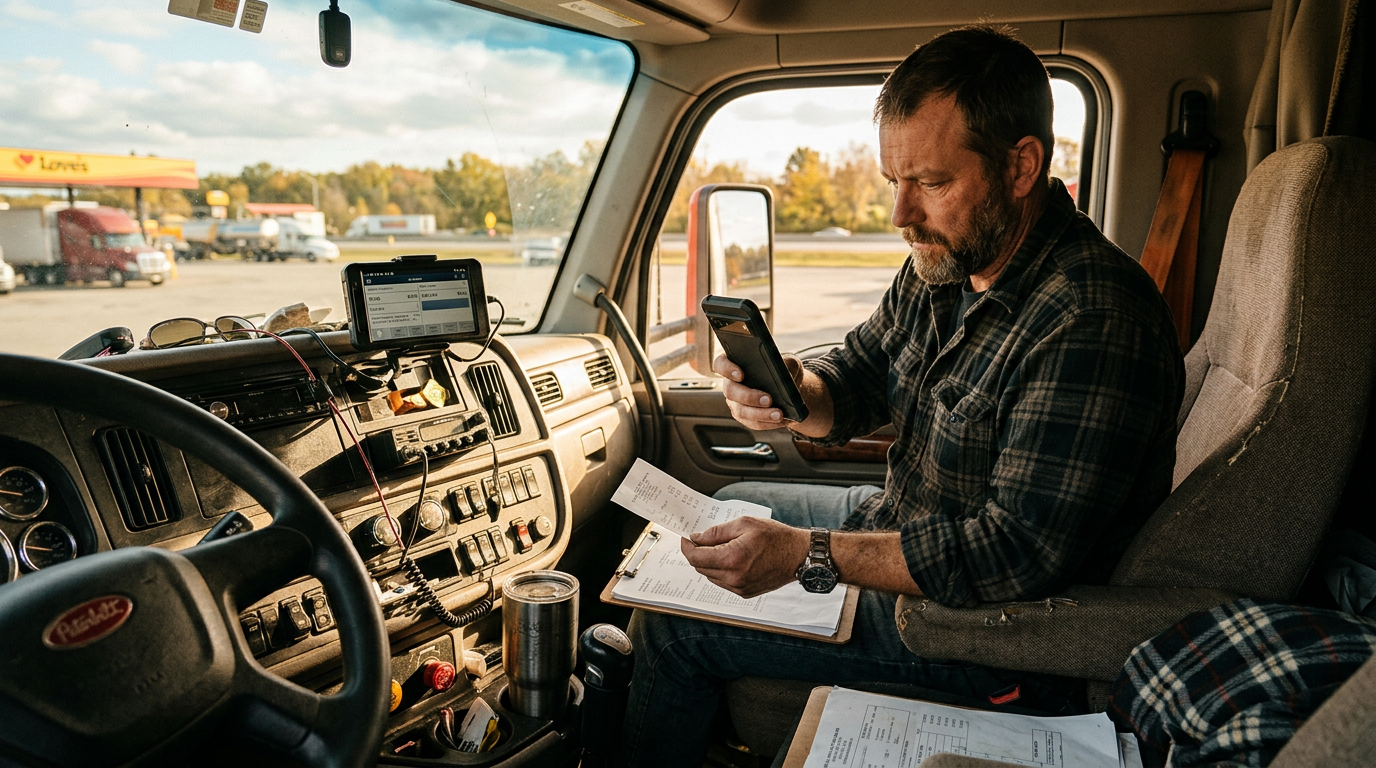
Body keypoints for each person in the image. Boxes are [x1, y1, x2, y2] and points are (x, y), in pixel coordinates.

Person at [618, 24, 1184, 767]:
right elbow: (855, 378)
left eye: (933, 184)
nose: (900, 216)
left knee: (672, 626)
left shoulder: (1091, 317)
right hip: (900, 518)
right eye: (894, 182)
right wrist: (790, 392)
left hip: (975, 629)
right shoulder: (946, 263)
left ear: (1021, 167)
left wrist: (808, 555)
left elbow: (1011, 555)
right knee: (734, 496)